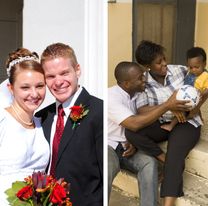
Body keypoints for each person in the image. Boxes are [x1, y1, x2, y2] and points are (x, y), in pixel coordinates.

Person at [125, 40, 202, 206]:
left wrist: (194, 103)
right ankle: (165, 161)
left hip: (187, 122)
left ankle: (168, 203)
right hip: (162, 123)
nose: (165, 63)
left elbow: (202, 79)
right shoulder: (143, 82)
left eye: (164, 58)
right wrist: (168, 106)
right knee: (131, 132)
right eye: (159, 62)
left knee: (176, 152)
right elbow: (142, 110)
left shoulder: (180, 71)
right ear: (147, 66)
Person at [108, 61, 190, 206]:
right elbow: (134, 124)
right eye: (140, 78)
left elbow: (142, 120)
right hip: (109, 147)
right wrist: (167, 105)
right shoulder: (111, 97)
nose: (144, 80)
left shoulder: (137, 94)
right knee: (105, 168)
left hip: (129, 147)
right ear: (126, 84)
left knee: (149, 164)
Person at [36, 43, 103, 205]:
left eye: (64, 73)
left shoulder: (98, 111)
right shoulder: (41, 116)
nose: (58, 82)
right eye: (51, 76)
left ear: (77, 70)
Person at [0, 48, 49, 205]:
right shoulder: (2, 120)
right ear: (11, 88)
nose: (34, 94)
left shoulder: (42, 124)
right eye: (25, 87)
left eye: (40, 86)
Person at [161, 46, 208, 132]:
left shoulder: (206, 76)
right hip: (186, 95)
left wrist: (201, 94)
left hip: (196, 97)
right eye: (191, 67)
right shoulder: (189, 73)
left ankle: (172, 125)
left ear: (204, 64)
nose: (193, 70)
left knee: (186, 111)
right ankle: (197, 118)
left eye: (196, 67)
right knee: (183, 109)